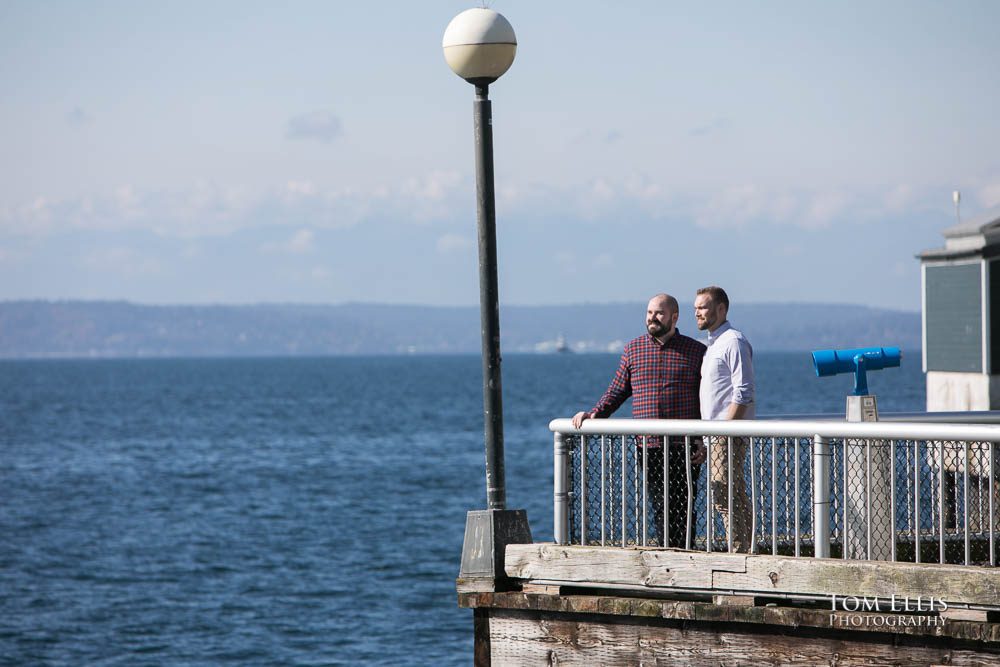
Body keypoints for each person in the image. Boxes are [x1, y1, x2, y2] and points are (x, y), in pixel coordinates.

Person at [572, 293, 706, 548]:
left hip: (684, 445)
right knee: (659, 503)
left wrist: (704, 438)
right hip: (650, 444)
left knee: (684, 503)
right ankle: (668, 552)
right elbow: (617, 391)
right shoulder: (633, 349)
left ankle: (686, 553)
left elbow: (707, 398)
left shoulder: (696, 351)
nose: (652, 318)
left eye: (659, 313)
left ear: (674, 317)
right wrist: (594, 414)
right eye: (649, 313)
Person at [694, 285, 755, 553]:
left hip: (728, 434)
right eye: (695, 308)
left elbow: (743, 392)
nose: (697, 313)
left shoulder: (733, 341)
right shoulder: (714, 344)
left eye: (703, 307)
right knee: (733, 494)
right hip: (717, 435)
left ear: (721, 309)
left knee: (725, 496)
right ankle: (744, 549)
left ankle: (739, 552)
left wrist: (722, 433)